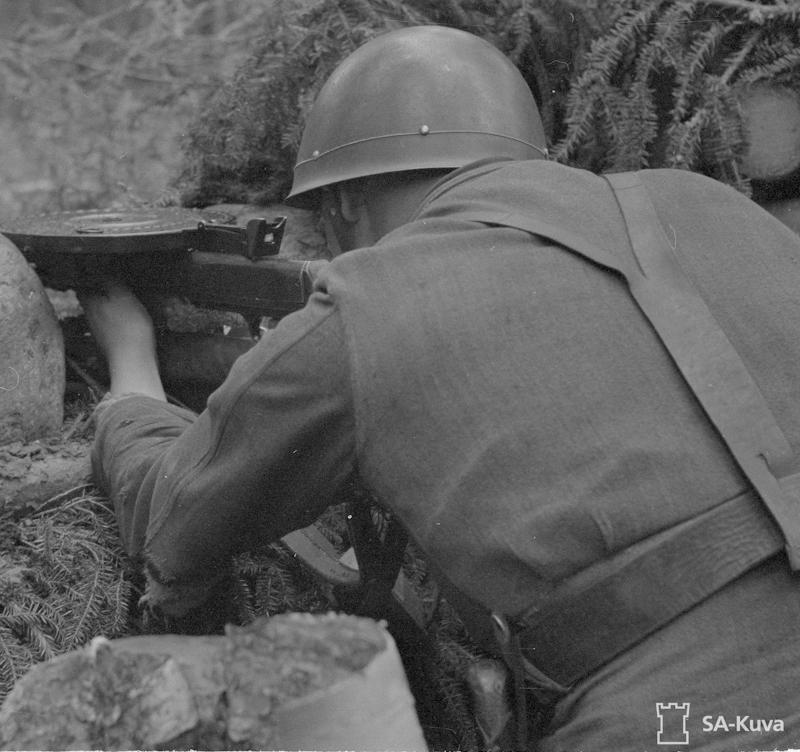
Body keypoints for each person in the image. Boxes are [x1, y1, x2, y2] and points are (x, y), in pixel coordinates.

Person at [83, 25, 800, 752]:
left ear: (345, 206)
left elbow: (173, 524)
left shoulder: (369, 304)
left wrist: (132, 373)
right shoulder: (705, 201)